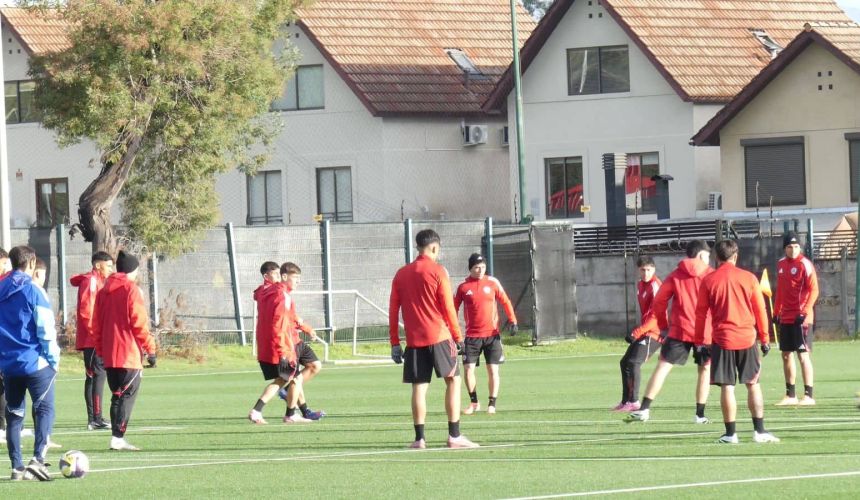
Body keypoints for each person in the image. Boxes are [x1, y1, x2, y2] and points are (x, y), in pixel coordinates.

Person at [390, 229, 478, 449]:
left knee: (419, 388)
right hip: (439, 336)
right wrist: (458, 337)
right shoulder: (438, 271)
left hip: (413, 341)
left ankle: (420, 439)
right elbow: (448, 307)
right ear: (434, 247)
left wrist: (394, 342)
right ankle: (454, 435)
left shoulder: (401, 274)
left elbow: (393, 310)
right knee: (453, 381)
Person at [695, 239, 779, 444]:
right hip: (747, 339)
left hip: (722, 340)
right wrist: (765, 337)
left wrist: (700, 342)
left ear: (716, 257)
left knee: (727, 387)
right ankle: (759, 431)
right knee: (753, 384)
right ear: (736, 256)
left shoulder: (708, 280)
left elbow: (700, 314)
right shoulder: (749, 278)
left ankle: (730, 434)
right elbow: (761, 309)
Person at [627, 240, 713, 424]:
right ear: (700, 255)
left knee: (663, 367)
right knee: (704, 370)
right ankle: (700, 415)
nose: (709, 259)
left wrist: (665, 325)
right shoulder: (711, 275)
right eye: (707, 255)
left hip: (680, 330)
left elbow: (659, 302)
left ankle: (644, 409)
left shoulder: (675, 275)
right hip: (705, 332)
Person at [0, 246, 60, 480]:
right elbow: (45, 329)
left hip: (9, 364)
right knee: (44, 408)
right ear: (32, 263)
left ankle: (16, 467)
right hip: (35, 362)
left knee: (14, 414)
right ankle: (37, 459)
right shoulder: (33, 290)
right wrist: (53, 359)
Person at [92, 250, 157, 451]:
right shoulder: (131, 289)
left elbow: (97, 323)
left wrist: (101, 349)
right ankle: (118, 438)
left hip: (111, 354)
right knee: (127, 396)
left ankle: (116, 437)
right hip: (129, 353)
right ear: (132, 270)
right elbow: (139, 322)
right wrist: (150, 349)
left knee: (117, 396)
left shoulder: (104, 291)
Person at [454, 253, 517, 415]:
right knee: (468, 369)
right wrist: (453, 332)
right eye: (476, 267)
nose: (480, 270)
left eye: (483, 267)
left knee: (493, 370)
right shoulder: (463, 287)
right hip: (472, 337)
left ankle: (492, 404)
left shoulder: (493, 282)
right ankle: (474, 402)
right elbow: (452, 309)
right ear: (470, 268)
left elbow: (505, 301)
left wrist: (513, 321)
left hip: (492, 335)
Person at [248, 261, 299, 425]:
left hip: (266, 344)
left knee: (291, 378)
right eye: (276, 274)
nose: (278, 277)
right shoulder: (279, 293)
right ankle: (258, 410)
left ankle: (294, 412)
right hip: (279, 345)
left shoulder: (263, 292)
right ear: (266, 276)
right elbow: (279, 323)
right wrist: (283, 348)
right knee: (286, 379)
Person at [773, 231, 819, 406]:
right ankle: (790, 395)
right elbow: (781, 291)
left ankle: (808, 395)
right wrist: (776, 312)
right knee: (786, 354)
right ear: (785, 248)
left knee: (803, 355)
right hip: (786, 317)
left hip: (801, 318)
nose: (793, 250)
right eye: (790, 247)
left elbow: (814, 290)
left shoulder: (805, 264)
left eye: (796, 246)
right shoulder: (781, 264)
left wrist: (805, 311)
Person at [70, 251, 114, 430]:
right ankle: (96, 418)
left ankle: (93, 418)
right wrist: (96, 335)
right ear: (98, 265)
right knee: (98, 376)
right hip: (92, 338)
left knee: (92, 377)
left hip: (91, 337)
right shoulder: (92, 281)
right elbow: (86, 311)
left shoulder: (97, 281)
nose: (111, 269)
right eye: (108, 265)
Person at [277, 262, 325, 422]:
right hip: (289, 342)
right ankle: (298, 413)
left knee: (315, 365)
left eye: (299, 278)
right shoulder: (280, 294)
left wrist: (306, 328)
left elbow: (293, 317)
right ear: (284, 277)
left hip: (296, 339)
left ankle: (289, 392)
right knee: (296, 378)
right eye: (295, 277)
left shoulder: (287, 295)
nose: (298, 281)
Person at [614, 256, 662, 411]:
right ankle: (625, 401)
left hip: (655, 333)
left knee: (634, 362)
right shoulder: (641, 285)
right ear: (638, 270)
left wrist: (636, 332)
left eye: (649, 270)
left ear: (654, 269)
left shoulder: (655, 286)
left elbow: (655, 317)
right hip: (645, 331)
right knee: (624, 362)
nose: (646, 273)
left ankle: (634, 402)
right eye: (643, 270)